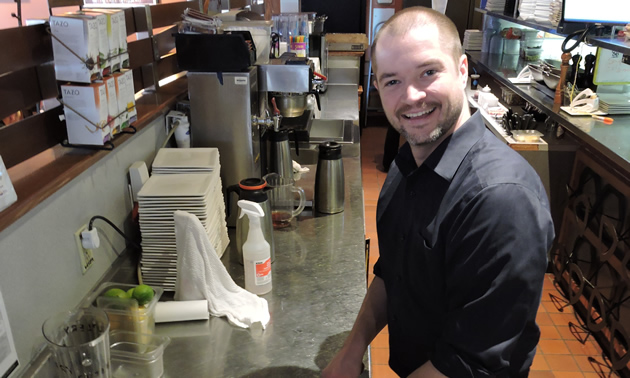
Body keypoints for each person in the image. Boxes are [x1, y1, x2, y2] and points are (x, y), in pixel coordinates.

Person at [323, 6, 554, 377]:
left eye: (428, 72)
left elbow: (471, 363)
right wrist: (352, 348)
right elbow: (392, 272)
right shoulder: (406, 164)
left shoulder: (501, 200)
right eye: (392, 80)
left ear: (462, 70)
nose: (412, 97)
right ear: (377, 86)